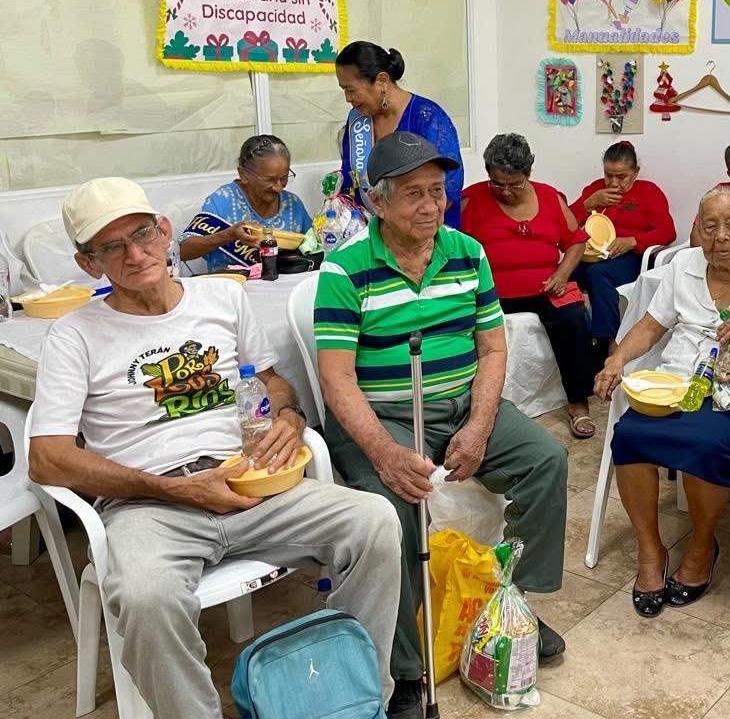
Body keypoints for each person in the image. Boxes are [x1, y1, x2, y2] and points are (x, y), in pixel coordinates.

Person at [27, 178, 401, 719]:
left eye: (142, 234)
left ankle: (351, 700)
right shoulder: (74, 335)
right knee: (145, 597)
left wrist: (291, 418)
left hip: (249, 480)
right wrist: (173, 489)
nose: (135, 254)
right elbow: (47, 458)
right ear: (89, 264)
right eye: (111, 247)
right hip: (149, 504)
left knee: (375, 522)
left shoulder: (223, 297)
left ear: (164, 231)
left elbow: (272, 381)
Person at [315, 133, 569, 719]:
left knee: (546, 461)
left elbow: (493, 349)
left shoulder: (467, 253)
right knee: (394, 508)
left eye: (437, 191)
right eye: (413, 194)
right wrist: (383, 452)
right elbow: (336, 379)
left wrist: (479, 425)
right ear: (377, 202)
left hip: (459, 403)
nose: (431, 206)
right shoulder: (345, 269)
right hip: (380, 416)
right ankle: (405, 667)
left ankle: (510, 607)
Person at [595, 187, 730, 618]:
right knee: (629, 435)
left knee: (705, 443)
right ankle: (650, 552)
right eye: (710, 226)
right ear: (697, 229)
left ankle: (701, 545)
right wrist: (616, 358)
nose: (721, 237)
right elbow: (651, 325)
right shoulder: (682, 266)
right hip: (676, 383)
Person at [462, 133, 598, 439]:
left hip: (546, 287)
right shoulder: (471, 200)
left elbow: (577, 241)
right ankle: (476, 408)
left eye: (514, 184)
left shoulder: (550, 197)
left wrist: (562, 273)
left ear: (528, 173)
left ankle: (578, 403)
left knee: (574, 318)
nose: (505, 191)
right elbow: (452, 245)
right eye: (497, 183)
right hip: (491, 292)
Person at [336, 40, 463, 227]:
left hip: (425, 228)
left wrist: (401, 229)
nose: (348, 98)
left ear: (381, 81)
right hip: (371, 232)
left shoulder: (427, 117)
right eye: (344, 90)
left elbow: (449, 186)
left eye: (351, 90)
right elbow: (350, 180)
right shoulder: (357, 120)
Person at [571, 140, 677, 357]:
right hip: (593, 255)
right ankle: (576, 336)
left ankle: (607, 343)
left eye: (621, 177)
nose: (613, 183)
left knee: (598, 274)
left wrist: (633, 241)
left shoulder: (648, 192)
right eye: (608, 175)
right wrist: (588, 203)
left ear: (635, 172)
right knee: (564, 274)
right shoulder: (595, 189)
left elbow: (668, 232)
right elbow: (566, 223)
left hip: (630, 258)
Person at [179, 134, 310, 272]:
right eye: (269, 180)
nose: (279, 187)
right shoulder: (222, 201)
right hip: (230, 285)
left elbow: (315, 246)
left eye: (284, 178)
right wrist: (229, 235)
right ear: (243, 174)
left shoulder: (292, 203)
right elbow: (183, 251)